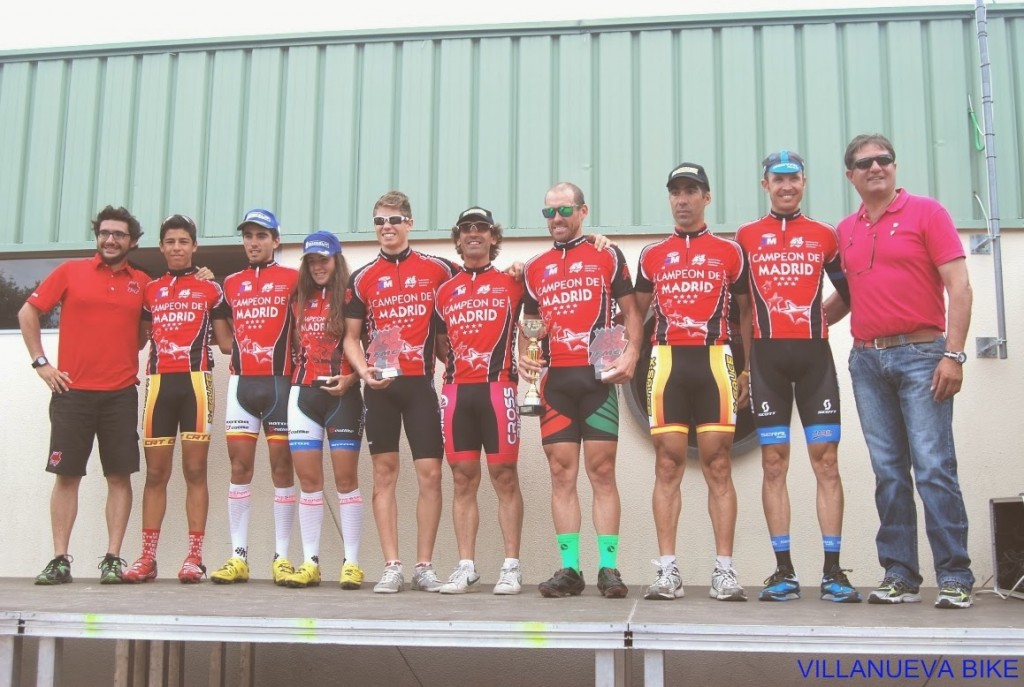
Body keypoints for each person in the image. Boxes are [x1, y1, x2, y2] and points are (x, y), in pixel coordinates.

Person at [826, 133, 974, 609]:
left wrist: (954, 355)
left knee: (932, 468)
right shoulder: (844, 230)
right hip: (867, 360)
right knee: (888, 472)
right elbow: (846, 298)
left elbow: (960, 286)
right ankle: (900, 574)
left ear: (894, 166)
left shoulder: (928, 213)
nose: (875, 168)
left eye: (883, 160)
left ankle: (954, 575)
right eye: (863, 163)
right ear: (850, 175)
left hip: (923, 355)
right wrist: (795, 326)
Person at [734, 151, 860, 603]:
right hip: (766, 361)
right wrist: (746, 367)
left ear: (804, 182)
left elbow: (850, 293)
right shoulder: (746, 237)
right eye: (777, 180)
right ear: (764, 184)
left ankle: (832, 572)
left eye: (793, 179)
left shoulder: (825, 236)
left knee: (826, 462)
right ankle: (783, 570)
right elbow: (744, 310)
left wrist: (817, 322)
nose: (786, 187)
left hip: (815, 361)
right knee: (773, 464)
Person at [519, 181, 643, 599]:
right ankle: (569, 569)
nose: (556, 219)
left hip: (597, 380)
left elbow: (631, 312)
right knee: (561, 474)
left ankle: (608, 568)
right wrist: (524, 356)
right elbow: (530, 327)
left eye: (564, 211)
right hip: (555, 384)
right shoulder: (535, 267)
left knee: (602, 473)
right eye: (549, 213)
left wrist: (631, 355)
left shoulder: (606, 253)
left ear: (583, 211)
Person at [635, 163, 750, 602]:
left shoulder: (730, 252)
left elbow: (748, 313)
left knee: (719, 465)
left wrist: (748, 368)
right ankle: (668, 571)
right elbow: (634, 310)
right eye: (676, 192)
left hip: (715, 359)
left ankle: (725, 570)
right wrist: (629, 350)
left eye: (691, 191)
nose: (683, 199)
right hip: (665, 363)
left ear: (707, 197)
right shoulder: (651, 254)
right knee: (667, 465)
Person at [20, 205, 147, 585]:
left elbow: (145, 330)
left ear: (133, 241)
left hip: (121, 394)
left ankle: (112, 558)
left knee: (119, 477)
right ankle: (60, 560)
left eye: (119, 234)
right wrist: (42, 363)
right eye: (105, 233)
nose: (110, 240)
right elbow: (28, 313)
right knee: (66, 475)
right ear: (97, 236)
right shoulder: (70, 271)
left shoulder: (141, 281)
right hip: (72, 394)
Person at [342, 191, 458, 594]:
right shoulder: (362, 277)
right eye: (379, 221)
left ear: (409, 223)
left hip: (419, 385)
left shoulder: (439, 269)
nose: (386, 228)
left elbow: (482, 278)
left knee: (430, 475)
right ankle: (392, 564)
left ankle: (424, 565)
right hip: (380, 388)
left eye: (394, 220)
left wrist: (515, 270)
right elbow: (351, 338)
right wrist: (362, 372)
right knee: (384, 476)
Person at [121, 215, 231, 584]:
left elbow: (227, 341)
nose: (177, 248)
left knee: (195, 471)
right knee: (155, 473)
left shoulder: (211, 290)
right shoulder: (150, 290)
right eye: (170, 241)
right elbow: (135, 339)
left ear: (194, 247)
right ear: (162, 247)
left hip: (197, 384)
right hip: (158, 385)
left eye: (184, 241)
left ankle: (194, 558)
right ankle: (148, 558)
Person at [434, 207, 526, 595]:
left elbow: (539, 321)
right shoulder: (444, 291)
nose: (474, 234)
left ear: (493, 237)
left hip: (498, 388)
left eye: (482, 228)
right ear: (457, 238)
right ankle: (466, 565)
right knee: (461, 479)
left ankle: (511, 566)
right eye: (466, 229)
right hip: (456, 393)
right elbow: (440, 346)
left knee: (504, 475)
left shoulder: (514, 282)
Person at [210, 209, 300, 585]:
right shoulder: (230, 282)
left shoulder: (294, 278)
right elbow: (225, 339)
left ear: (276, 241)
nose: (253, 242)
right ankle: (238, 556)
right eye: (248, 235)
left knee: (282, 467)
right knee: (239, 468)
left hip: (281, 384)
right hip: (242, 385)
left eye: (261, 235)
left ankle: (282, 556)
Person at [283, 230, 365, 589]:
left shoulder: (352, 295)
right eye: (312, 260)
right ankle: (310, 561)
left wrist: (350, 380)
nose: (318, 266)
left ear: (337, 260)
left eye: (324, 259)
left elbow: (364, 343)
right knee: (309, 482)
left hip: (343, 396)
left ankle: (352, 563)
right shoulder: (296, 297)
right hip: (302, 396)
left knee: (346, 481)